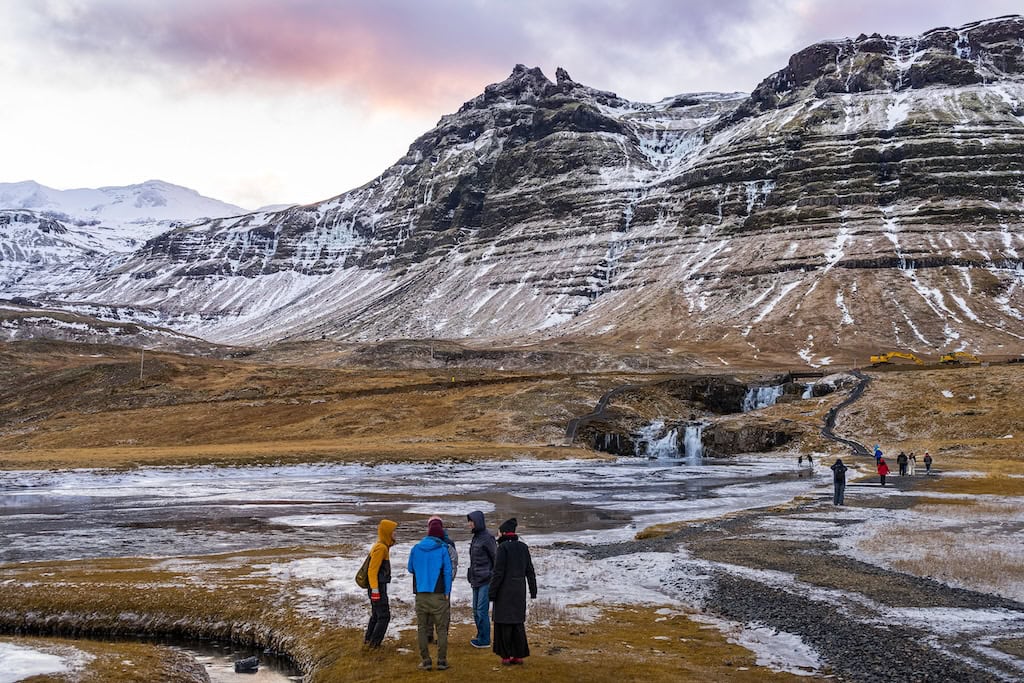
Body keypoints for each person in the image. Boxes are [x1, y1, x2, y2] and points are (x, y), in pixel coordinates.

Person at [490, 518, 537, 666]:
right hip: (519, 591)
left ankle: (506, 655)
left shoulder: (502, 548)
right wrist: (533, 590)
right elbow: (530, 571)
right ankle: (518, 655)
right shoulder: (523, 547)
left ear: (503, 533)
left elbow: (498, 573)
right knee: (517, 623)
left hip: (504, 591)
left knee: (503, 623)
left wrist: (492, 592)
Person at [408, 518, 453, 671]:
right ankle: (441, 661)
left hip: (421, 594)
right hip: (439, 594)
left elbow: (410, 568)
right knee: (441, 629)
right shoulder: (442, 549)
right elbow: (447, 572)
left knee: (421, 627)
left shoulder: (416, 548)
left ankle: (426, 661)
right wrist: (447, 592)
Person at [364, 519, 397, 648]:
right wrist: (375, 590)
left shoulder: (382, 546)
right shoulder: (381, 548)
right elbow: (372, 571)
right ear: (387, 533)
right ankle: (374, 644)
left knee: (376, 615)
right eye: (393, 531)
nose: (395, 534)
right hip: (377, 587)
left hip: (376, 587)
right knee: (384, 616)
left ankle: (369, 640)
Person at [467, 510, 497, 649]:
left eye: (471, 522)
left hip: (486, 579)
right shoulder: (476, 537)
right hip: (475, 579)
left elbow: (495, 558)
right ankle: (480, 635)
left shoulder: (488, 538)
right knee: (475, 610)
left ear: (477, 522)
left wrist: (492, 575)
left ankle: (485, 639)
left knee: (481, 610)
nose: (469, 525)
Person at [427, 516, 458, 645]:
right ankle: (440, 636)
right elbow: (454, 564)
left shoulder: (445, 544)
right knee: (442, 611)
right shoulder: (448, 543)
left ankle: (433, 636)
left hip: (432, 583)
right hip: (442, 582)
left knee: (431, 609)